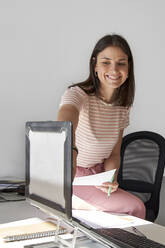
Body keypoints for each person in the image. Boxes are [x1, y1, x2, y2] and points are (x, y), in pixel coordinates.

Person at [57, 34, 145, 219]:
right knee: (135, 208)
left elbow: (114, 154)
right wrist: (70, 151)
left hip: (97, 178)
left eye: (121, 63)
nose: (114, 69)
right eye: (106, 62)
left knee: (133, 210)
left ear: (129, 68)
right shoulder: (77, 94)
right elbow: (65, 121)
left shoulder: (123, 106)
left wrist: (110, 177)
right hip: (72, 177)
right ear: (95, 65)